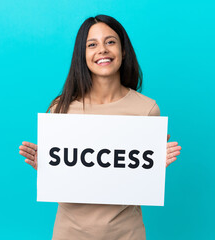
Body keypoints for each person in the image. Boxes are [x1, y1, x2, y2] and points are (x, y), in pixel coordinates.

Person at [18, 15, 182, 240]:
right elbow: (65, 177)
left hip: (127, 232)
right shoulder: (61, 109)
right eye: (92, 44)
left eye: (110, 42)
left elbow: (135, 180)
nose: (102, 50)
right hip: (70, 232)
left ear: (123, 51)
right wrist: (46, 168)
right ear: (82, 55)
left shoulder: (147, 109)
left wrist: (153, 167)